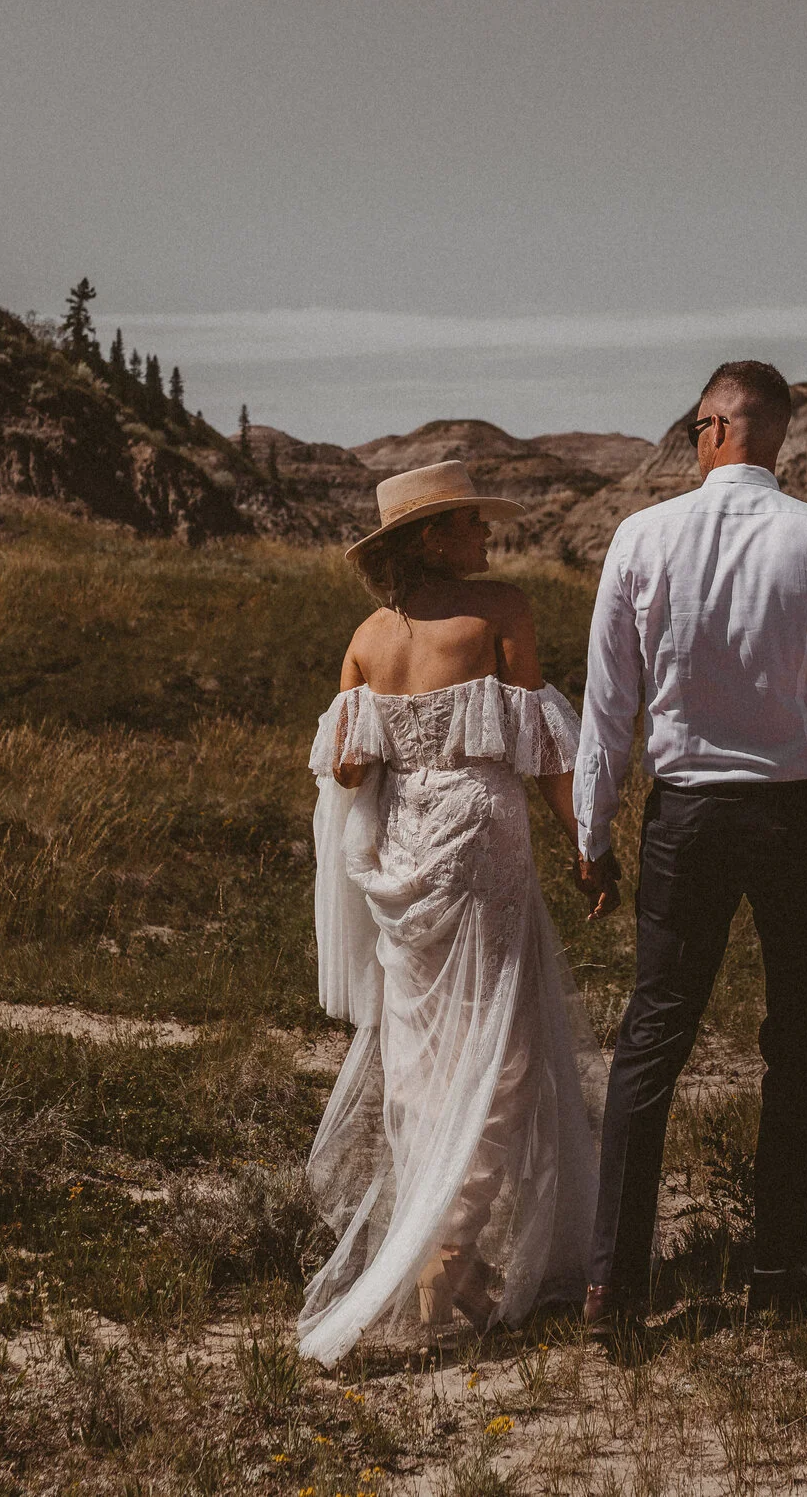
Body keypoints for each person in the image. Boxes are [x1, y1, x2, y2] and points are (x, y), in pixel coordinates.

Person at [574, 360, 807, 1323]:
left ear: (718, 428)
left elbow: (609, 710)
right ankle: (775, 1273)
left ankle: (614, 1283)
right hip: (797, 817)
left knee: (652, 1037)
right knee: (797, 1041)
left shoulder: (641, 538)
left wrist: (593, 833)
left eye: (694, 428)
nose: (693, 442)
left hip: (687, 817)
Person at [298, 460, 600, 1362]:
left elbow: (349, 769)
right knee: (508, 1052)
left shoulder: (366, 638)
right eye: (471, 521)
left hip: (403, 857)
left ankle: (440, 1240)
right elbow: (546, 753)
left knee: (423, 1054)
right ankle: (449, 1251)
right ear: (432, 537)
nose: (486, 534)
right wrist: (588, 842)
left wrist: (398, 726)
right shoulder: (502, 610)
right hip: (481, 845)